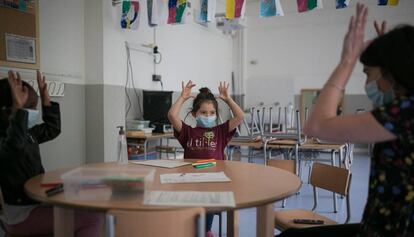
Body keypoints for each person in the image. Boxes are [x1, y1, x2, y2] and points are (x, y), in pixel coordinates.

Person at [277, 3, 414, 237]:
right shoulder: (403, 111)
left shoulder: (404, 114)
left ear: (390, 73)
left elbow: (316, 126)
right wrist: (388, 59)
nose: (367, 83)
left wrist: (347, 61)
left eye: (369, 73)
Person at [0, 71, 102, 236]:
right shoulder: (7, 142)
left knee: (83, 201)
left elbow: (52, 129)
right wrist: (19, 110)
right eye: (28, 109)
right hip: (21, 215)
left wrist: (45, 99)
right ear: (8, 112)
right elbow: (14, 147)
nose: (33, 113)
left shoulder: (28, 134)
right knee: (93, 218)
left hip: (36, 201)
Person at [167, 80, 244, 237]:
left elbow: (241, 116)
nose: (208, 116)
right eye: (203, 112)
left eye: (212, 113)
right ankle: (194, 228)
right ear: (195, 114)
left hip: (213, 182)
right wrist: (182, 97)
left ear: (216, 114)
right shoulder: (187, 132)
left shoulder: (220, 131)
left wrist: (228, 99)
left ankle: (206, 229)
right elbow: (172, 115)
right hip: (191, 182)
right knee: (190, 214)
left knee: (206, 209)